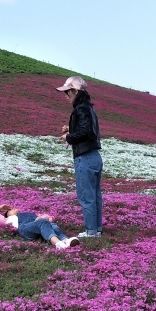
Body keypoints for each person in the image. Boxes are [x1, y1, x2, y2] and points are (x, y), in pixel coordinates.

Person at [56, 75, 103, 238]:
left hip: (85, 157)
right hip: (95, 156)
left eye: (67, 92)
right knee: (95, 195)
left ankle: (90, 232)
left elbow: (84, 132)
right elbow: (88, 130)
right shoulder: (89, 109)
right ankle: (96, 229)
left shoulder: (80, 109)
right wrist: (71, 129)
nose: (65, 95)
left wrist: (68, 137)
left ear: (75, 91)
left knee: (86, 196)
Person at [0, 204, 80, 250]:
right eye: (10, 210)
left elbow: (50, 219)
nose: (13, 208)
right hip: (24, 229)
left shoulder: (29, 214)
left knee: (52, 225)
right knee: (43, 222)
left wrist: (42, 217)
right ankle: (59, 244)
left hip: (36, 226)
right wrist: (0, 208)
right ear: (7, 214)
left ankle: (66, 240)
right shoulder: (6, 219)